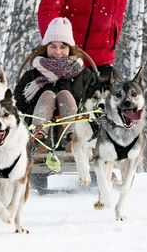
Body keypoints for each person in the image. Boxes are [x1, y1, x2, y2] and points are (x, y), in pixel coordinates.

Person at [14, 17, 96, 151]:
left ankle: (73, 137)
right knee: (47, 95)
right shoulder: (32, 76)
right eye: (53, 46)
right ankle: (39, 137)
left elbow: (94, 103)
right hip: (36, 123)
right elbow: (19, 104)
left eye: (63, 47)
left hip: (77, 125)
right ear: (46, 48)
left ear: (70, 49)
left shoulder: (83, 75)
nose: (58, 52)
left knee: (65, 95)